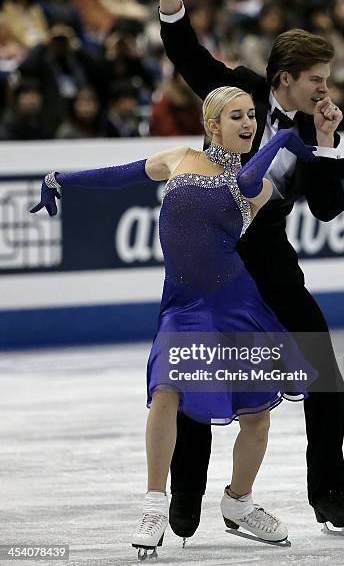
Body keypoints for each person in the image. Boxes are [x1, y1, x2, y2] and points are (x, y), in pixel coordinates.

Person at [31, 86, 319, 556]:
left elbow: (245, 185)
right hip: (184, 306)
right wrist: (61, 178)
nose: (248, 124)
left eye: (252, 116)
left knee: (257, 417)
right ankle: (152, 505)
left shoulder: (259, 185)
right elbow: (120, 175)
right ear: (212, 126)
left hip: (236, 303)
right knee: (165, 390)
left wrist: (283, 139)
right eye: (236, 117)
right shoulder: (179, 158)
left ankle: (239, 502)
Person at [140, 0, 344, 538]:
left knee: (325, 374)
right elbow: (191, 60)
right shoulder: (243, 93)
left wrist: (330, 146)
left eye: (328, 79)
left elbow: (329, 210)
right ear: (285, 78)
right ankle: (186, 496)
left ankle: (329, 494)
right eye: (317, 79)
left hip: (270, 265)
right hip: (214, 265)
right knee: (198, 377)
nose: (325, 90)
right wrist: (172, 5)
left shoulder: (320, 128)